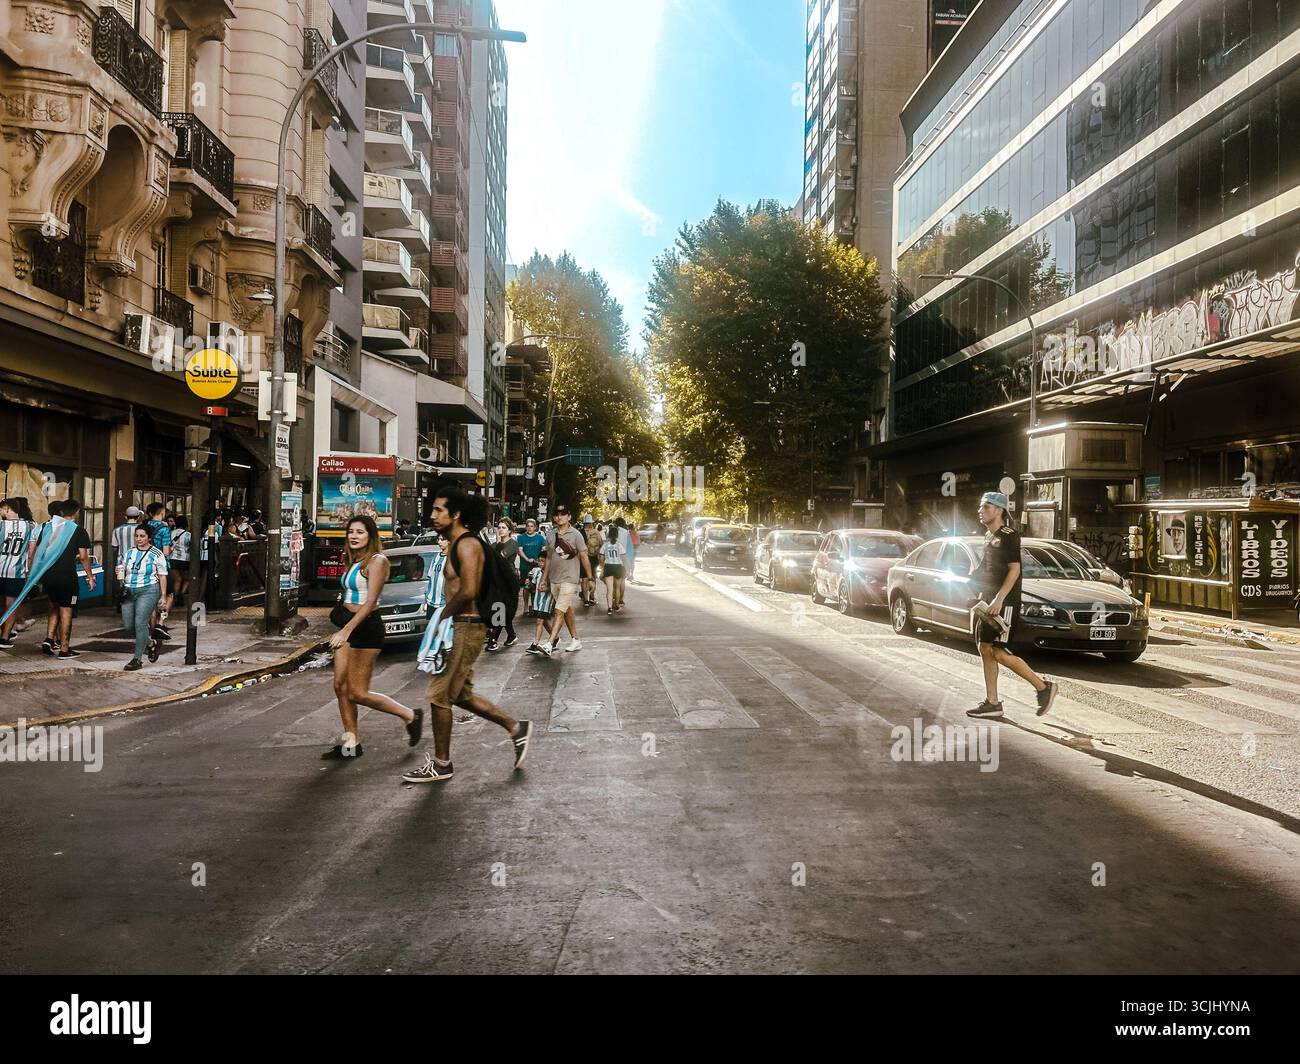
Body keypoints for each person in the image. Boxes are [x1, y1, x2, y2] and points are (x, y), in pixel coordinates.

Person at [402, 487, 533, 784]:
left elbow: (470, 590)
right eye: (432, 510)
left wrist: (441, 618)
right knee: (460, 695)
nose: (432, 515)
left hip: (466, 626)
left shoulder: (467, 544)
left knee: (438, 695)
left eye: (438, 510)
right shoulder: (456, 543)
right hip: (460, 625)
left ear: (456, 514)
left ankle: (442, 764)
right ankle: (516, 728)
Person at [323, 515, 423, 760]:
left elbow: (370, 603)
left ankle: (410, 715)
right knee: (340, 686)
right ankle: (351, 742)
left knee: (358, 692)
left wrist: (346, 630)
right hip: (347, 624)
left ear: (371, 536)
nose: (354, 536)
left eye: (360, 532)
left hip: (366, 628)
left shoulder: (378, 561)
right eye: (351, 532)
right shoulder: (353, 560)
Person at [967, 491, 1058, 720]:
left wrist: (999, 599)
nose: (980, 511)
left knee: (998, 650)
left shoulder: (1008, 535)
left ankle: (1043, 687)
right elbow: (987, 569)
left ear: (999, 510)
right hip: (987, 601)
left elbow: (1014, 570)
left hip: (1004, 603)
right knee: (984, 647)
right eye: (980, 507)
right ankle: (992, 702)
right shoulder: (989, 535)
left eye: (985, 507)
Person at [35, 500, 95, 659]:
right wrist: (90, 577)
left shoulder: (50, 529)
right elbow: (83, 557)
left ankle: (49, 639)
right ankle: (64, 648)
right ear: (76, 512)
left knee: (54, 605)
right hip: (67, 577)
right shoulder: (78, 530)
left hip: (48, 575)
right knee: (67, 609)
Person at [531, 505, 592, 656]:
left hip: (570, 578)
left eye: (563, 514)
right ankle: (576, 639)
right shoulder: (551, 535)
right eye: (557, 514)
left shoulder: (576, 535)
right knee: (566, 609)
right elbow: (549, 558)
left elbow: (584, 556)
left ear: (569, 517)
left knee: (559, 611)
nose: (560, 517)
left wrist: (591, 578)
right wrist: (544, 579)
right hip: (554, 579)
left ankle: (550, 643)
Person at [118, 524, 167, 672]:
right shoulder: (129, 553)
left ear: (149, 538)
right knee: (128, 625)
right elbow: (124, 570)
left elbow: (162, 575)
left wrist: (163, 596)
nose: (138, 539)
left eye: (142, 536)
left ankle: (137, 659)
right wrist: (119, 576)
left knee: (140, 623)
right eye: (136, 536)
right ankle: (151, 643)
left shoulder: (157, 554)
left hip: (149, 590)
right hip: (129, 590)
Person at [0, 497, 36, 650]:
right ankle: (5, 637)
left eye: (1, 509)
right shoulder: (31, 526)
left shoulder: (1, 525)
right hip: (18, 572)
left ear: (7, 508)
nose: (0, 512)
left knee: (2, 603)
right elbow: (31, 552)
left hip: (0, 570)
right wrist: (30, 570)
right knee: (12, 605)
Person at [486, 517, 520, 651]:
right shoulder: (495, 544)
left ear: (510, 530)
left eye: (504, 527)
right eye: (499, 527)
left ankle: (493, 639)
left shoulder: (512, 544)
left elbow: (500, 557)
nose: (500, 530)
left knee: (501, 609)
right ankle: (511, 635)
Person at [600, 520, 628, 616]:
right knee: (617, 588)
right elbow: (623, 558)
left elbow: (601, 557)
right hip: (618, 567)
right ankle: (616, 605)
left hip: (608, 566)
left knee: (609, 589)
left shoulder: (605, 545)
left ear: (608, 535)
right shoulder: (619, 545)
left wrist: (602, 567)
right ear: (617, 535)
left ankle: (609, 608)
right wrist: (627, 569)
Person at [168, 516, 192, 611]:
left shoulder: (170, 533)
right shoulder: (188, 535)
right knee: (187, 579)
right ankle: (182, 593)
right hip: (185, 559)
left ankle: (175, 598)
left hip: (173, 559)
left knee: (177, 579)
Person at [516, 517, 545, 586]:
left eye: (532, 526)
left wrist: (539, 561)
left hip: (537, 566)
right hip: (524, 566)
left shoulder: (540, 538)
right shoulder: (521, 537)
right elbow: (520, 551)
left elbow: (544, 551)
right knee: (526, 586)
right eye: (528, 526)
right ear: (526, 527)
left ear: (535, 527)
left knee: (535, 585)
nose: (530, 528)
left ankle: (534, 597)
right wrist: (527, 559)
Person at [582, 515, 603, 607]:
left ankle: (585, 600)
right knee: (593, 578)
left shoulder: (580, 533)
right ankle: (592, 597)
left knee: (584, 579)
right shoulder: (596, 532)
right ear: (591, 523)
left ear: (584, 523)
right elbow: (601, 544)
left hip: (583, 557)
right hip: (594, 558)